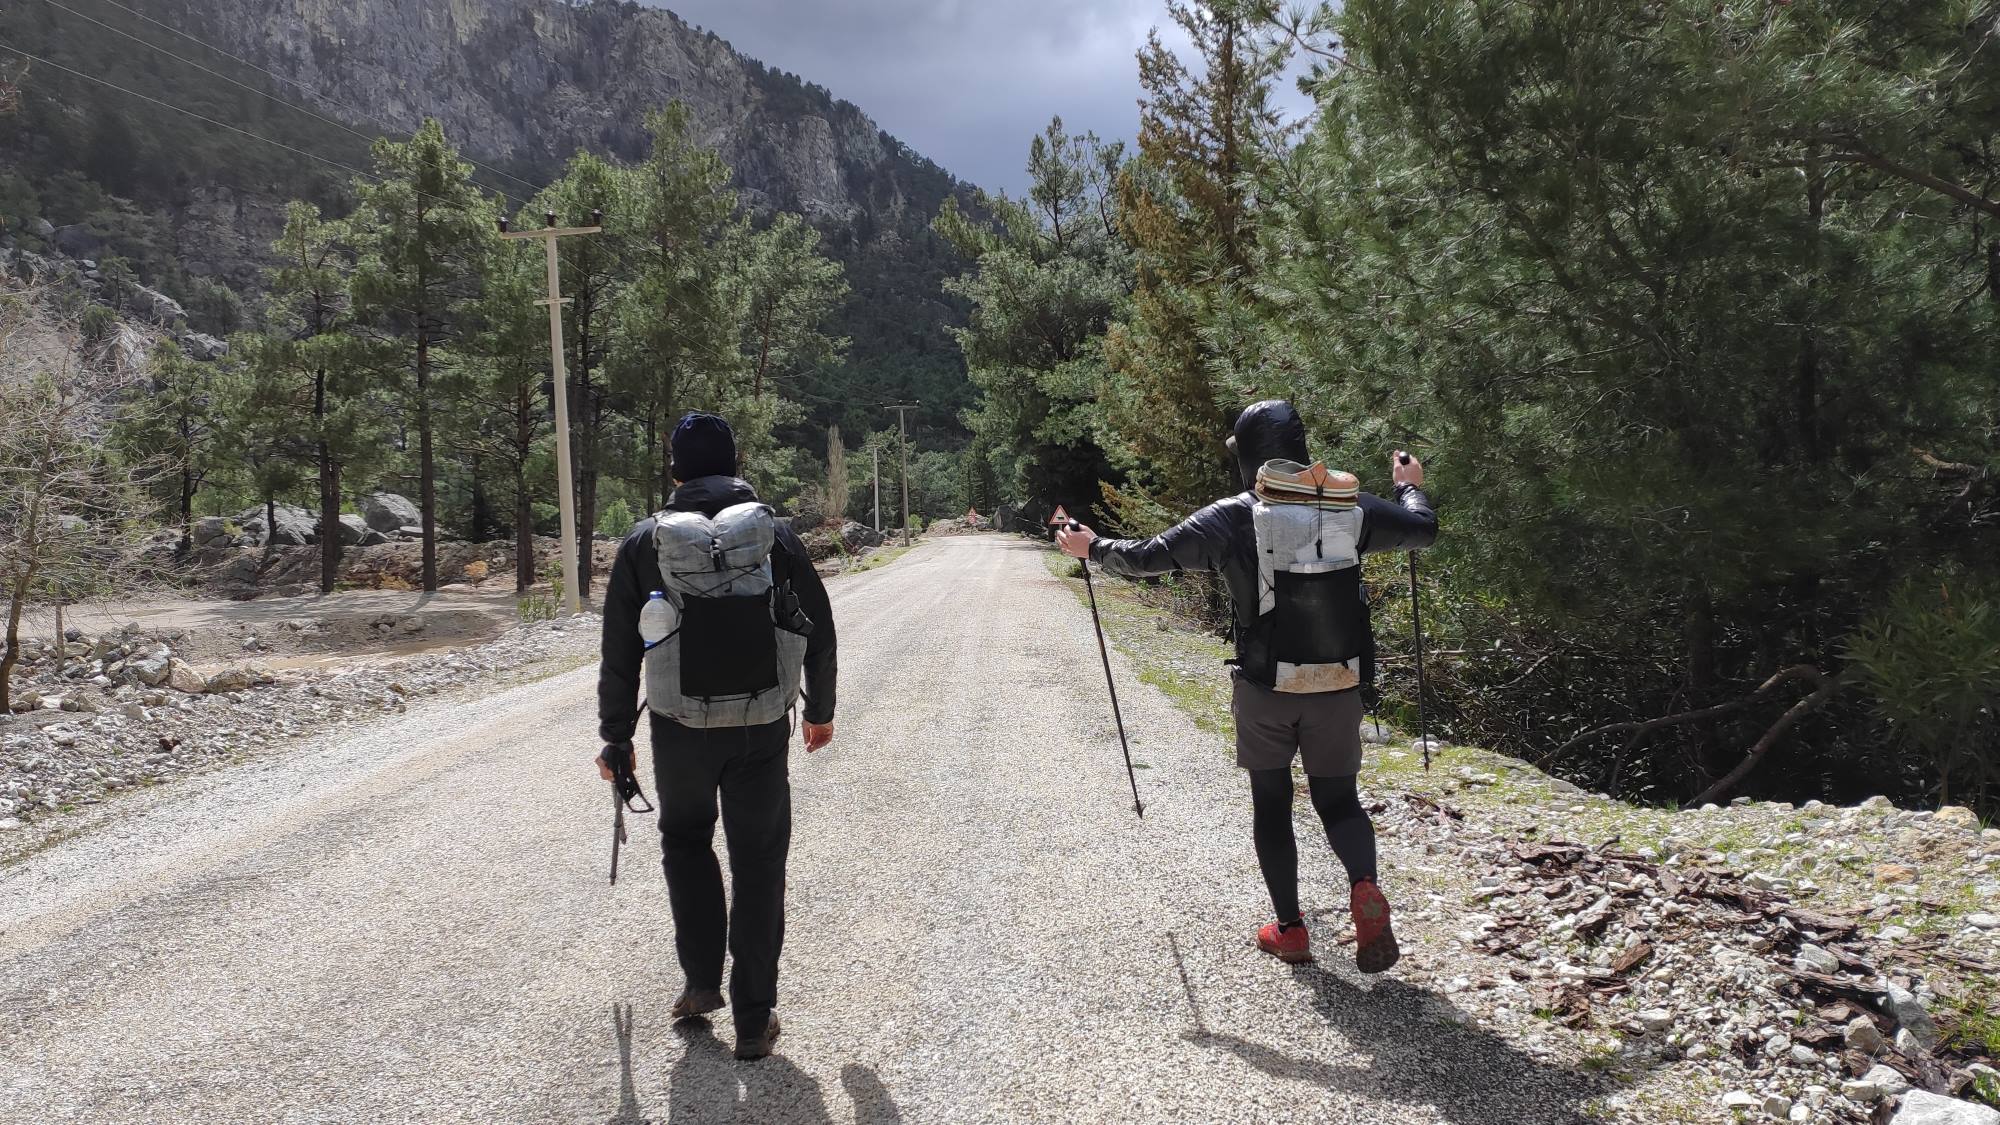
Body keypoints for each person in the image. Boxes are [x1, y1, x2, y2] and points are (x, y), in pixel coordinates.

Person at [1056, 400, 1437, 973]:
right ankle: (1363, 887)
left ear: (1249, 456)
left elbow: (1148, 558)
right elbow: (1423, 531)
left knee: (1273, 802)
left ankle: (1291, 931)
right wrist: (1408, 487)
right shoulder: (1352, 506)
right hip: (1338, 685)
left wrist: (1093, 548)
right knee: (1339, 800)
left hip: (1265, 688)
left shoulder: (1233, 516)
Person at [596, 411, 838, 1060]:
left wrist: (615, 736)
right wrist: (821, 708)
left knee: (685, 840)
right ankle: (755, 1019)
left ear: (674, 468)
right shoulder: (774, 534)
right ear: (735, 465)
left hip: (679, 729)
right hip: (761, 724)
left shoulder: (645, 541)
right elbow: (818, 621)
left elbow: (619, 648)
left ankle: (702, 983)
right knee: (759, 862)